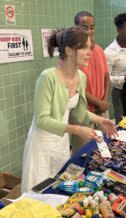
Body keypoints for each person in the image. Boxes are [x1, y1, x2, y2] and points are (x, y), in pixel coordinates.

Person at [21, 26, 117, 193]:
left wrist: (99, 120)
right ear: (69, 51)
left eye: (90, 47)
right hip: (42, 145)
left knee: (57, 189)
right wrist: (77, 129)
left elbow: (79, 112)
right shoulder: (47, 78)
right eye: (84, 48)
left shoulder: (81, 77)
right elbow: (42, 120)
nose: (90, 52)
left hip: (62, 142)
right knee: (37, 194)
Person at [72, 11, 110, 153]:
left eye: (92, 27)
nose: (89, 31)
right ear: (76, 28)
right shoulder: (74, 53)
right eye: (84, 27)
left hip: (102, 110)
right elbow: (76, 86)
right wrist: (99, 102)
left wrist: (104, 101)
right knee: (83, 152)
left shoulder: (99, 50)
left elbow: (107, 77)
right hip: (83, 112)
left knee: (103, 148)